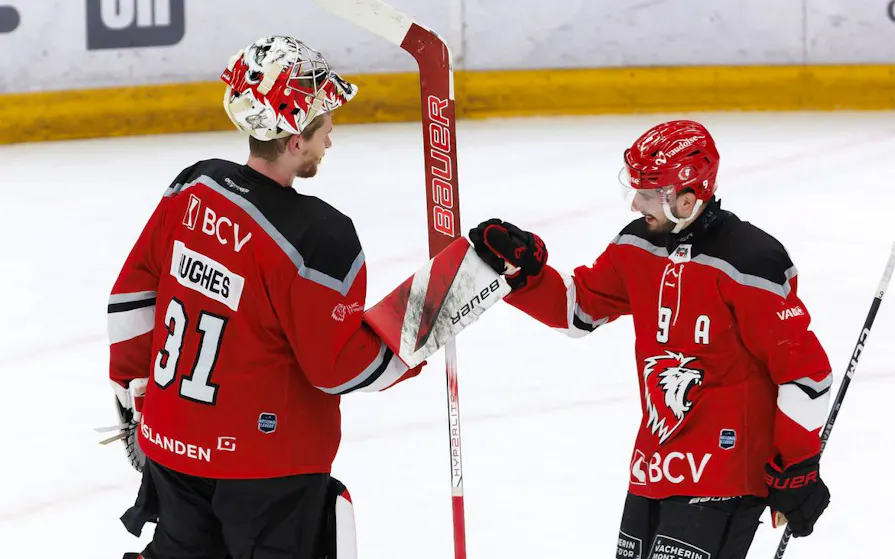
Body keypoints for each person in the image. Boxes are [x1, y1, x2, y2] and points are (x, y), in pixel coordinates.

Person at [107, 35, 424, 559]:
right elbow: (339, 366)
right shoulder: (318, 237)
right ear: (295, 141)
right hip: (267, 470)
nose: (331, 140)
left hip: (171, 447)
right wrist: (437, 311)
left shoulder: (193, 188)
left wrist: (131, 389)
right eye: (324, 127)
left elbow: (131, 294)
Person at [468, 120, 833, 559]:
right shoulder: (637, 245)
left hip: (727, 473)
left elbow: (804, 374)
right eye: (636, 190)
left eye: (650, 193)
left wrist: (796, 466)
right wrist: (522, 275)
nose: (637, 204)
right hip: (654, 466)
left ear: (688, 196)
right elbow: (578, 309)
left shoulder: (751, 260)